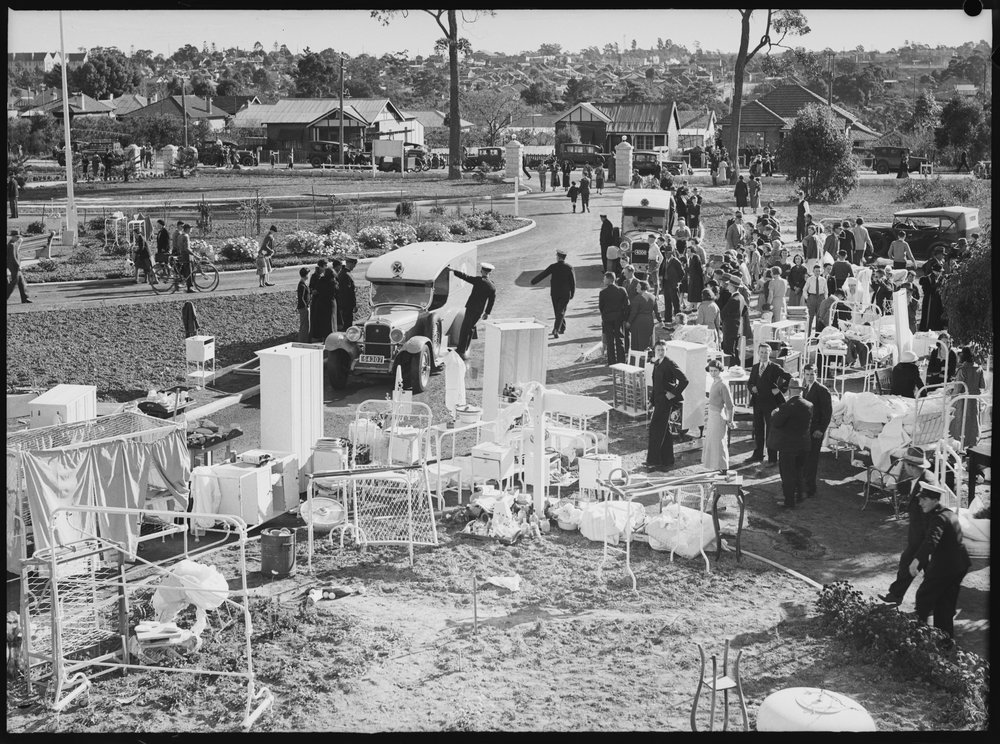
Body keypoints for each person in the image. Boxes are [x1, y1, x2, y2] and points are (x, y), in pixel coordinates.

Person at [878, 447, 939, 606]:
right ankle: (896, 595)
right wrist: (895, 486)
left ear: (912, 466)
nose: (904, 468)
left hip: (925, 536)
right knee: (910, 564)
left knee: (924, 568)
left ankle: (930, 602)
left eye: (905, 465)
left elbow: (929, 514)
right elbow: (910, 485)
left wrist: (925, 544)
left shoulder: (928, 483)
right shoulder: (920, 478)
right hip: (917, 533)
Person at [911, 485, 972, 638]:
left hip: (946, 567)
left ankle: (917, 637)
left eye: (924, 500)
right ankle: (945, 641)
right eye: (920, 499)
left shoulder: (939, 518)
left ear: (934, 500)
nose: (920, 503)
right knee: (944, 604)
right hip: (959, 565)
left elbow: (931, 540)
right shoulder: (948, 513)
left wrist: (917, 560)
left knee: (923, 597)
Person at [768, 379, 814, 508]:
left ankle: (789, 501)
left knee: (787, 474)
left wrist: (775, 413)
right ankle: (800, 494)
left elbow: (776, 422)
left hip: (788, 446)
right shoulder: (809, 405)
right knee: (799, 471)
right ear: (800, 390)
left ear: (790, 390)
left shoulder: (787, 406)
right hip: (803, 444)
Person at [646, 340, 689, 471]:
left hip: (665, 401)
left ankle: (654, 461)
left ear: (666, 350)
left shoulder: (669, 363)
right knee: (665, 429)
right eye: (658, 349)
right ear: (655, 350)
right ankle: (667, 460)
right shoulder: (657, 363)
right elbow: (656, 385)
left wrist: (673, 393)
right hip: (658, 400)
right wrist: (651, 402)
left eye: (662, 350)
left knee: (655, 428)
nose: (660, 352)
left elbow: (684, 380)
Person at [748, 343, 791, 467]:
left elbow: (788, 377)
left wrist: (779, 390)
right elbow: (750, 383)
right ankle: (758, 454)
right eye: (761, 352)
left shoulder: (775, 367)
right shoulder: (755, 367)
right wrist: (752, 388)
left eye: (766, 352)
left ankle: (772, 458)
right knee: (758, 429)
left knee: (771, 431)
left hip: (771, 404)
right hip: (758, 403)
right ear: (758, 353)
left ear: (770, 353)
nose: (763, 354)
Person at [451, 262, 497, 359]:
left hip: (471, 308)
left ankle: (461, 350)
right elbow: (491, 302)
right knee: (471, 328)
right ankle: (465, 348)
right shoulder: (492, 286)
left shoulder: (478, 280)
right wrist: (487, 313)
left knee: (465, 329)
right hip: (479, 311)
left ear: (482, 271)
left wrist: (454, 271)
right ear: (490, 272)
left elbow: (466, 277)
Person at [800, 363, 832, 499]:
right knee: (806, 459)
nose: (810, 377)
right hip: (807, 431)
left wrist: (821, 429)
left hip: (816, 431)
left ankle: (811, 488)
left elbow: (827, 412)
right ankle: (805, 485)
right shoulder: (806, 388)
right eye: (807, 374)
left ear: (816, 374)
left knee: (812, 460)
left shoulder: (822, 390)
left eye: (812, 374)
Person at [530, 249, 576, 338]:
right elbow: (573, 282)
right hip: (565, 293)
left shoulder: (553, 266)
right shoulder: (569, 267)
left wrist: (533, 281)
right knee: (560, 311)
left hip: (555, 293)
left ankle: (556, 329)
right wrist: (572, 293)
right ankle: (562, 327)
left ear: (558, 257)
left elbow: (543, 274)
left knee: (558, 311)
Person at [702, 358, 736, 471]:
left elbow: (730, 405)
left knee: (719, 443)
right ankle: (716, 467)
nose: (713, 373)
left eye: (715, 371)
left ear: (720, 370)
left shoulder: (722, 384)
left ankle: (723, 468)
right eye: (711, 371)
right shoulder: (714, 382)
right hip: (712, 415)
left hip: (718, 416)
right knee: (712, 441)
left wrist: (730, 420)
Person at [949, 346, 986, 447]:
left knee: (961, 422)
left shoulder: (962, 369)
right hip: (974, 399)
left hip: (963, 399)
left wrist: (951, 401)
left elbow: (957, 388)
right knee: (973, 422)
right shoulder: (979, 368)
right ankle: (973, 443)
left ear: (962, 356)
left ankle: (960, 446)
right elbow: (983, 386)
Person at [599, 271, 629, 365]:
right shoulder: (622, 290)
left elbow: (601, 307)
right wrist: (624, 317)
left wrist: (604, 316)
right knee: (619, 339)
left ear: (608, 280)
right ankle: (621, 360)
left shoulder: (603, 292)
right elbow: (627, 305)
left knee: (610, 340)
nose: (603, 280)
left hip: (607, 318)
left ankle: (611, 361)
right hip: (619, 318)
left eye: (604, 278)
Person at [626, 280, 659, 353]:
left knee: (637, 343)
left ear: (643, 288)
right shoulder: (653, 297)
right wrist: (660, 320)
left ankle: (638, 360)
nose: (636, 288)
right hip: (649, 321)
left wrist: (629, 322)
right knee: (647, 342)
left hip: (638, 322)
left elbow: (633, 312)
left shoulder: (637, 298)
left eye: (638, 287)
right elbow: (657, 311)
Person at [310, 267, 337, 340]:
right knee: (331, 320)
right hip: (330, 302)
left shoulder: (321, 280)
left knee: (322, 321)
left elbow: (316, 291)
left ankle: (322, 336)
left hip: (321, 302)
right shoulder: (333, 282)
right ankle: (331, 336)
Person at [918, 261, 945, 332]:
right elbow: (927, 291)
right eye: (938, 271)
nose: (939, 273)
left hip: (938, 300)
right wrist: (936, 286)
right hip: (929, 300)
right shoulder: (927, 279)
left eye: (940, 272)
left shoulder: (941, 278)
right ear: (933, 271)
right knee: (928, 315)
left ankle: (937, 327)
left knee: (938, 314)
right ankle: (926, 328)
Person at [6, 229, 31, 303]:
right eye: (17, 237)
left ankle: (25, 298)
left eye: (18, 237)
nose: (18, 238)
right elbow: (13, 257)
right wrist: (18, 265)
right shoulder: (11, 245)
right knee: (12, 285)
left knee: (22, 282)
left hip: (15, 267)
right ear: (12, 237)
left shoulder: (14, 244)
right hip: (14, 267)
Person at [661, 246, 684, 318]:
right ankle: (668, 318)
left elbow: (682, 273)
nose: (665, 254)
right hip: (666, 283)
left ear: (671, 253)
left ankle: (678, 318)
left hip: (673, 284)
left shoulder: (676, 261)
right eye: (664, 253)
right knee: (667, 301)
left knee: (675, 302)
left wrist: (677, 282)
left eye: (667, 253)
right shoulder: (665, 260)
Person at [177, 224, 195, 293]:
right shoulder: (186, 236)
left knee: (185, 271)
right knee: (189, 272)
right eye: (190, 228)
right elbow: (187, 248)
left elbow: (179, 246)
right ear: (187, 229)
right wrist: (194, 254)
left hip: (181, 255)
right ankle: (189, 287)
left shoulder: (180, 236)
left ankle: (184, 284)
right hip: (187, 256)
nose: (191, 230)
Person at [296, 267, 311, 343]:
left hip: (304, 307)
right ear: (306, 275)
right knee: (304, 326)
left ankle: (304, 340)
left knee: (305, 325)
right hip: (303, 308)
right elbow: (301, 298)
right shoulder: (301, 285)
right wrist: (305, 306)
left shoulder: (303, 284)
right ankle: (302, 341)